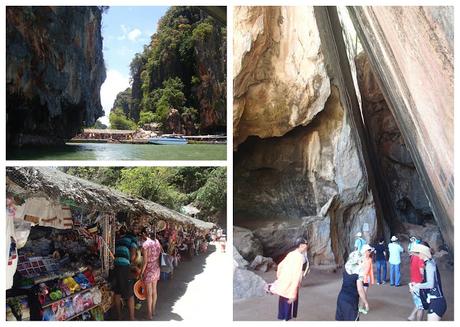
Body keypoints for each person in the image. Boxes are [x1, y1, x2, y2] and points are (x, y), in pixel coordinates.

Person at [409, 243, 447, 321]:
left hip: (436, 301)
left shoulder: (429, 265)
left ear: (423, 253)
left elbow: (430, 284)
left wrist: (416, 286)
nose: (418, 255)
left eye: (419, 253)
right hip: (435, 300)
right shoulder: (430, 262)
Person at [275, 237, 309, 321]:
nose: (307, 246)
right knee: (288, 305)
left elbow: (280, 266)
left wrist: (280, 278)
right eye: (306, 244)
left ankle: (282, 318)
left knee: (282, 302)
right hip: (291, 284)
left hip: (284, 282)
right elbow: (297, 275)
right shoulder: (300, 258)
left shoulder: (291, 254)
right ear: (301, 245)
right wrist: (293, 293)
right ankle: (285, 320)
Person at [111, 226, 139, 320]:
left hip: (115, 266)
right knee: (130, 294)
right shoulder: (133, 240)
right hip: (124, 267)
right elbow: (133, 256)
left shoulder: (120, 239)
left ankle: (119, 316)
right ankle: (132, 317)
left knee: (117, 292)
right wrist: (133, 264)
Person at [336, 250, 369, 321]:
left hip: (341, 298)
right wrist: (365, 302)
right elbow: (360, 289)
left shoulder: (346, 266)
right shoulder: (359, 271)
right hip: (351, 301)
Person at [139, 227, 162, 320]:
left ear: (145, 234)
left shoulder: (145, 245)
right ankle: (153, 310)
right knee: (154, 291)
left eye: (142, 235)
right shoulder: (157, 241)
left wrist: (141, 272)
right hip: (156, 268)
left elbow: (144, 262)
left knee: (149, 293)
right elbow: (160, 252)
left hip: (149, 269)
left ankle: (149, 314)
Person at [407, 240, 425, 321]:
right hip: (418, 284)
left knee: (419, 303)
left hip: (413, 282)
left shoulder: (413, 256)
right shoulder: (420, 258)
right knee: (421, 307)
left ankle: (411, 316)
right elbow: (422, 272)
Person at [360, 244, 375, 313]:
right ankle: (360, 306)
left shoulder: (370, 260)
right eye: (368, 251)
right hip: (360, 278)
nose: (370, 252)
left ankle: (361, 307)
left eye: (370, 251)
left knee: (364, 293)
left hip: (366, 279)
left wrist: (372, 280)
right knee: (360, 293)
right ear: (365, 251)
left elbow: (371, 270)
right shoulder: (360, 259)